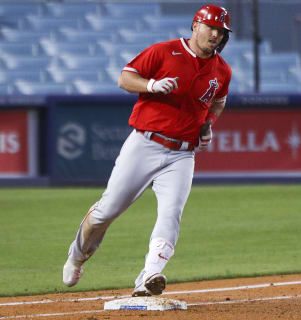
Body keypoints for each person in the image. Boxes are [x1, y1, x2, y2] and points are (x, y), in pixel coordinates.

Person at [62, 4, 232, 297]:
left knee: (171, 213)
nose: (215, 35)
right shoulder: (164, 51)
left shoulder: (223, 70)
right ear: (195, 26)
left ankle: (150, 275)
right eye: (211, 27)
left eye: (221, 31)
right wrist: (151, 85)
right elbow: (125, 78)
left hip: (182, 153)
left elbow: (218, 101)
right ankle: (77, 255)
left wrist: (208, 124)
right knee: (107, 211)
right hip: (145, 143)